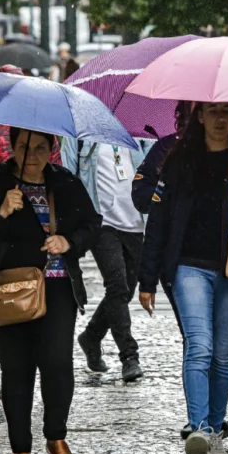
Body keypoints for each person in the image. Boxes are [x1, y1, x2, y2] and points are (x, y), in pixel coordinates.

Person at [138, 102, 228, 454]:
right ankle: (199, 428)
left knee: (222, 353)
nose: (220, 119)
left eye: (227, 112)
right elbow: (157, 220)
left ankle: (215, 430)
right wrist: (148, 279)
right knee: (198, 346)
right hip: (188, 267)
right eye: (213, 111)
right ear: (199, 115)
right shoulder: (178, 159)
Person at [0, 128, 101, 454]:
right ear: (13, 147)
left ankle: (56, 435)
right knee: (16, 367)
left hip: (57, 288)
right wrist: (1, 213)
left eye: (41, 148)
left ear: (52, 149)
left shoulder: (65, 183)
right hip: (6, 289)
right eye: (25, 147)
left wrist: (68, 242)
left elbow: (91, 224)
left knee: (56, 361)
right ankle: (20, 448)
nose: (33, 155)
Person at [61, 138, 146, 382]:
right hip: (100, 222)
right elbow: (69, 174)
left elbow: (154, 167)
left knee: (125, 292)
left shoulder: (138, 129)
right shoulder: (81, 132)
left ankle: (91, 336)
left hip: (136, 222)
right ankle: (129, 357)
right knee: (117, 285)